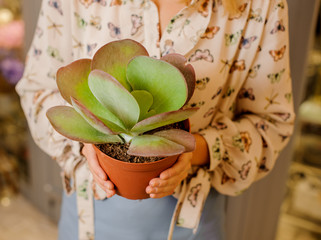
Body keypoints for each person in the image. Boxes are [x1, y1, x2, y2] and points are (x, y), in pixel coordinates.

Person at [16, 0, 295, 239]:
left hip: (191, 219)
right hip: (89, 217)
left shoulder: (259, 6)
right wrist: (88, 142)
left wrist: (192, 149)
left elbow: (272, 122)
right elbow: (37, 88)